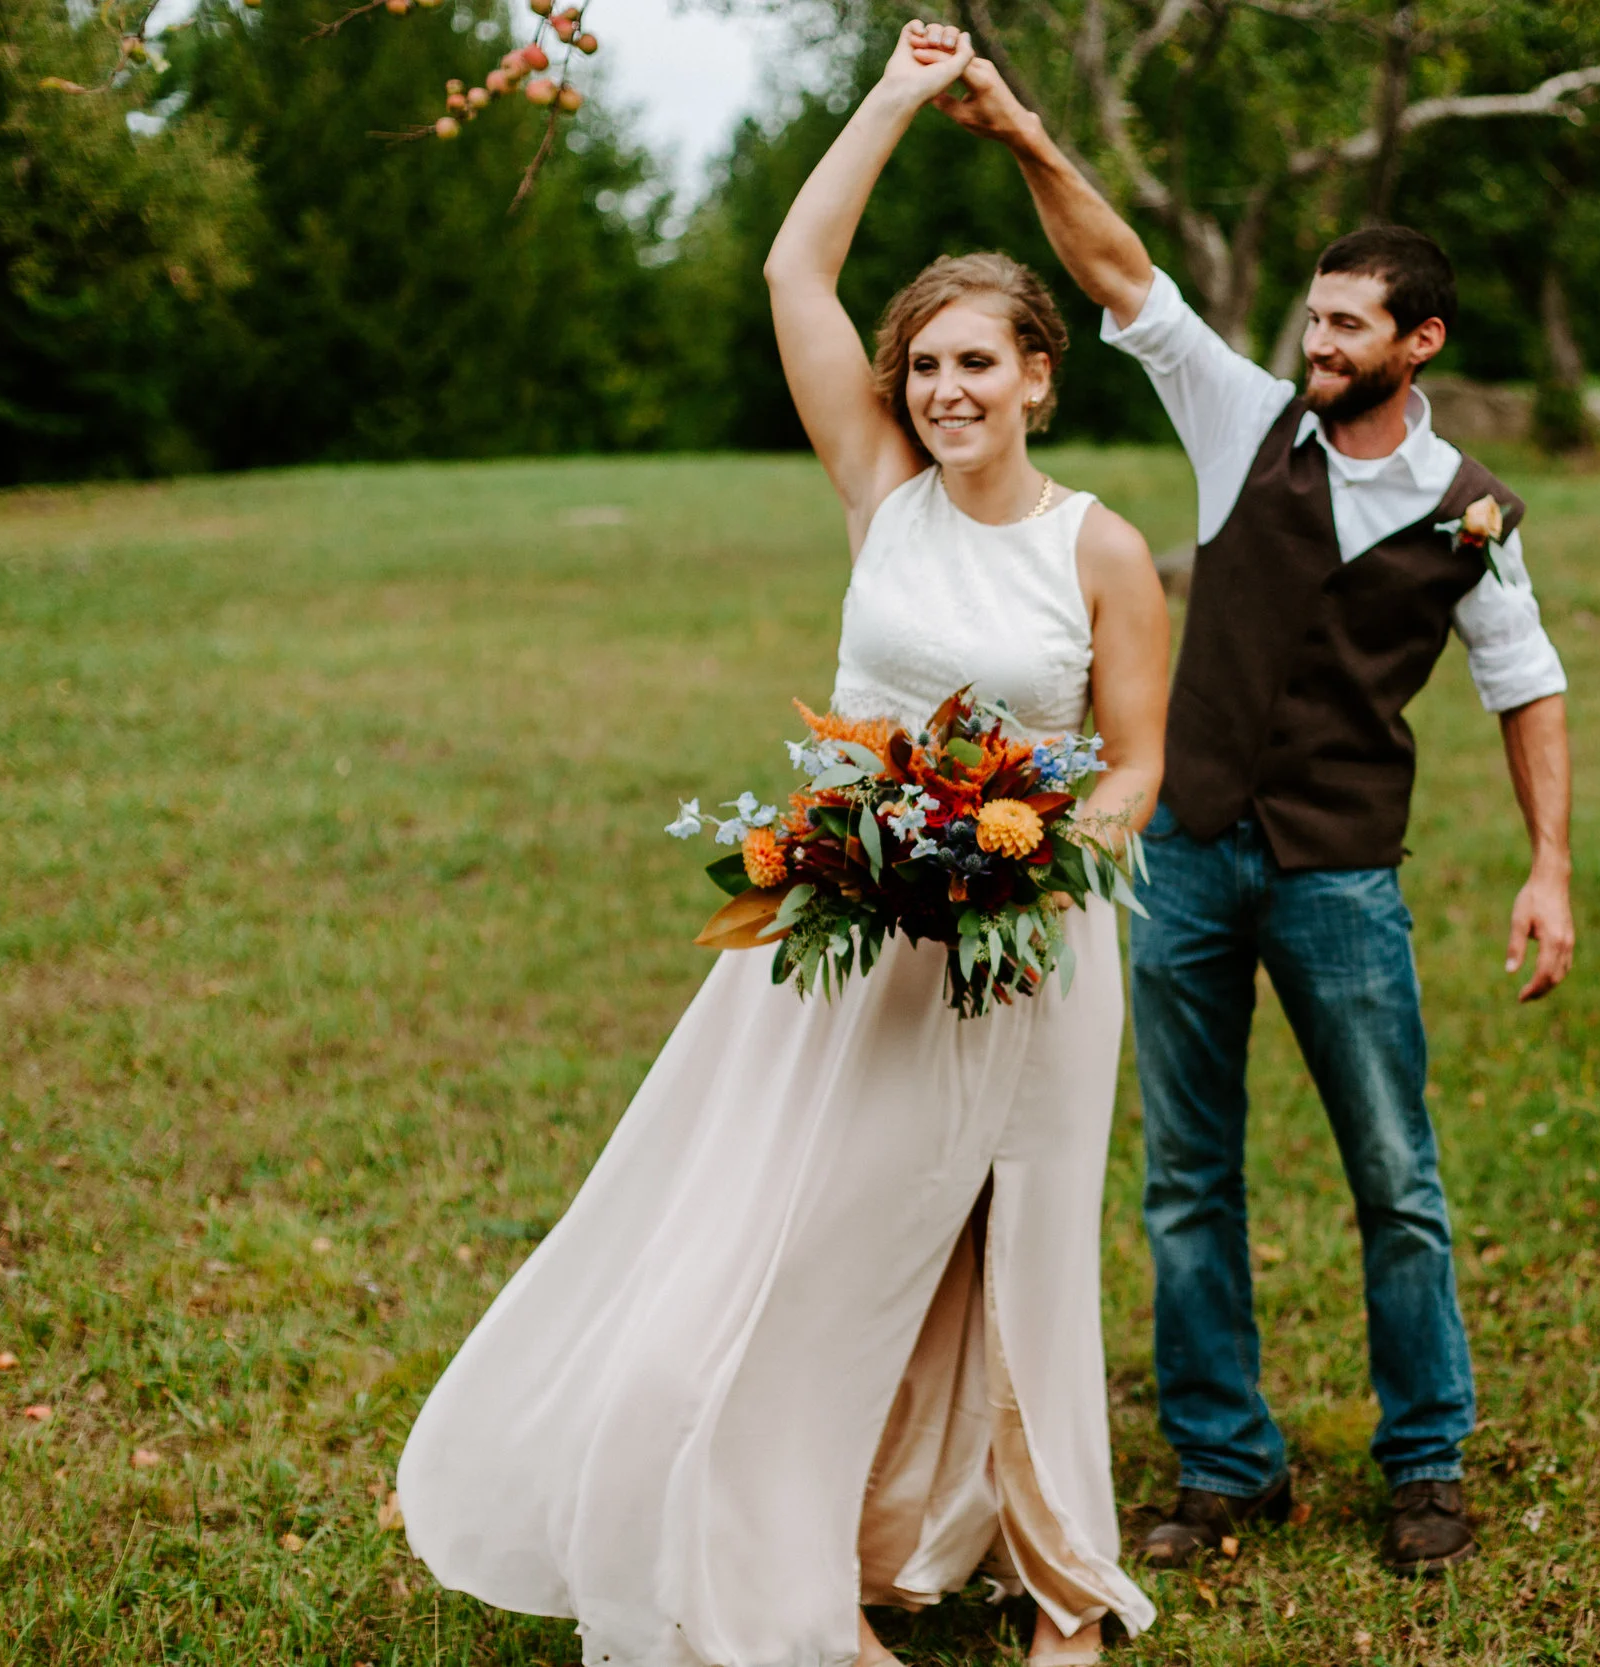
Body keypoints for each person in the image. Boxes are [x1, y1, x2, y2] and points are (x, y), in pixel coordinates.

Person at [393, 23, 1168, 1666]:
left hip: (1042, 943)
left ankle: (1061, 1590)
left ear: (1042, 372)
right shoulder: (878, 490)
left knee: (1024, 1251)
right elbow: (793, 265)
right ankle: (787, 1578)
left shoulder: (1102, 547)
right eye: (928, 366)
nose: (950, 392)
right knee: (813, 1249)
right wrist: (897, 92)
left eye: (982, 363)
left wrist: (1038, 868)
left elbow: (1140, 763)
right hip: (854, 940)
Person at [932, 55, 1576, 1576]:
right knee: (1185, 1179)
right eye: (1314, 316)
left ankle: (1425, 1459)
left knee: (1396, 1178)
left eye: (1349, 324)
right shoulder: (1245, 424)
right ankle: (1226, 1462)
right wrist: (1025, 131)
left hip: (1342, 878)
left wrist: (1550, 865)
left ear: (1418, 343)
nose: (1317, 339)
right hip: (1189, 853)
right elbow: (1124, 275)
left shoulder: (1471, 509)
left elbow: (1526, 681)